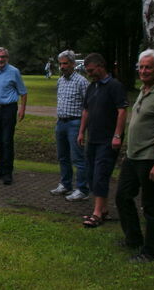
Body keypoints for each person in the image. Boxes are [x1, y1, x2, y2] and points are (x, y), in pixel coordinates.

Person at [116, 49, 154, 263]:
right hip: (133, 157)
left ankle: (151, 250)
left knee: (150, 206)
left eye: (148, 67)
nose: (143, 70)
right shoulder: (144, 89)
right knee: (122, 196)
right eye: (141, 67)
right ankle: (133, 238)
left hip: (150, 157)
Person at [78, 53, 127, 227]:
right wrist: (81, 132)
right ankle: (103, 209)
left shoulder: (115, 86)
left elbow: (122, 111)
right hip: (93, 138)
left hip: (108, 140)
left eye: (91, 70)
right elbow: (86, 111)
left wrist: (117, 135)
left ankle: (97, 213)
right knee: (91, 174)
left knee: (101, 175)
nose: (89, 73)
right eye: (87, 70)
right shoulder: (92, 87)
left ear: (100, 66)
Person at [50, 50, 89, 201]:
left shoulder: (81, 81)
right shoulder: (60, 81)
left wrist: (82, 128)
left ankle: (82, 189)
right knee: (63, 156)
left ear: (73, 64)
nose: (62, 66)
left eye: (65, 63)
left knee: (78, 158)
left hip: (75, 122)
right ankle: (66, 185)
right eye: (60, 64)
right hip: (61, 122)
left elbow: (87, 106)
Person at [0, 47, 27, 185]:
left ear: (7, 58)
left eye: (3, 57)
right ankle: (1, 169)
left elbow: (23, 92)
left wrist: (22, 109)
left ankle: (8, 172)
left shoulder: (14, 72)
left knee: (7, 140)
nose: (0, 59)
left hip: (8, 110)